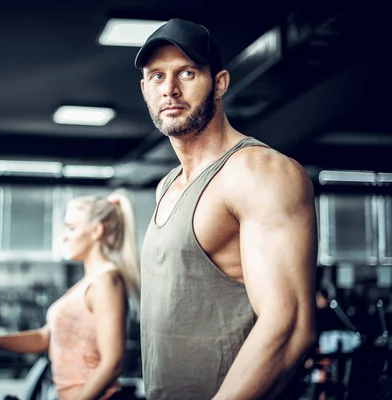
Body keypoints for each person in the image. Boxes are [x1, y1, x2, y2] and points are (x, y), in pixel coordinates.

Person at [134, 18, 318, 400]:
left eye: (186, 73)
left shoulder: (259, 172)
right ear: (144, 89)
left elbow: (290, 326)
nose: (169, 89)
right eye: (156, 76)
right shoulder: (167, 186)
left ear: (219, 83)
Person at [0, 190, 141, 400]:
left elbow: (113, 362)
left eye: (72, 228)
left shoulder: (106, 282)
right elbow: (44, 338)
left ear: (97, 231)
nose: (64, 236)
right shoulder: (87, 283)